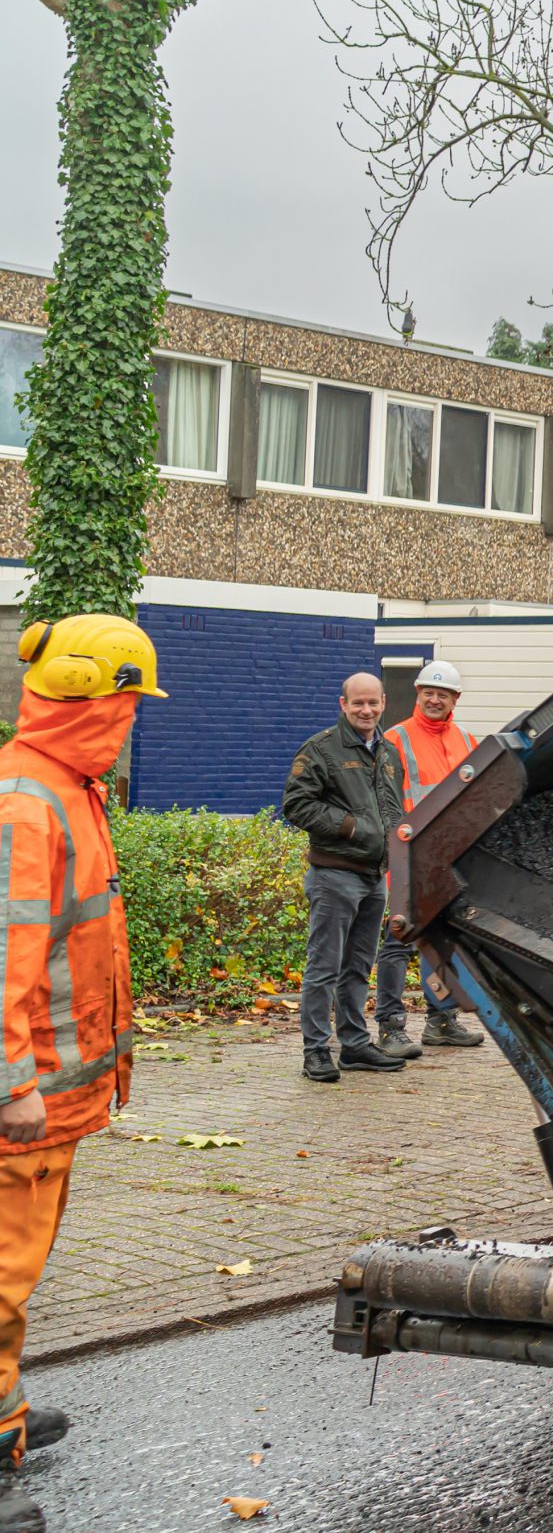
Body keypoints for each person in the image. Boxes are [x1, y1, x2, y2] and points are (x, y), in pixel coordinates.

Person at [0, 614, 165, 1528]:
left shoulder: (63, 785)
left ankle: (6, 1421)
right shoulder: (32, 799)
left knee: (13, 1276)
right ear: (97, 702)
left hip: (55, 1097)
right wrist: (11, 1081)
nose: (135, 719)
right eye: (130, 702)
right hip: (25, 1100)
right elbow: (4, 953)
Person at [281, 675, 408, 1083]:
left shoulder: (389, 753)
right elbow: (297, 804)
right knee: (324, 967)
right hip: (335, 874)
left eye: (372, 703)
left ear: (384, 702)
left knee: (358, 966)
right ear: (343, 704)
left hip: (375, 877)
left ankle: (354, 1045)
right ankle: (316, 1050)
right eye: (358, 704)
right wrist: (352, 827)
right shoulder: (321, 749)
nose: (366, 710)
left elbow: (392, 809)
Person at [373, 662, 484, 1056]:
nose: (434, 700)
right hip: (407, 857)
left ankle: (441, 1019)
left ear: (455, 699)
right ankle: (390, 1023)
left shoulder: (469, 742)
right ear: (418, 694)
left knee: (443, 941)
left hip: (449, 859)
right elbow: (381, 802)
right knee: (400, 940)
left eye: (443, 694)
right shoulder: (393, 739)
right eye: (428, 693)